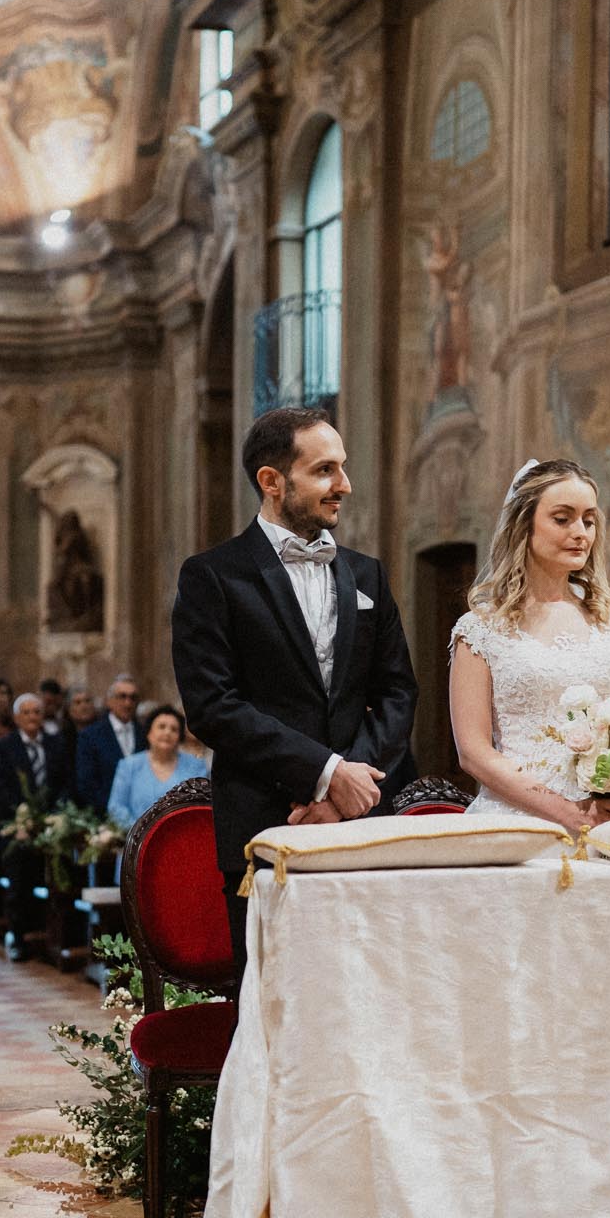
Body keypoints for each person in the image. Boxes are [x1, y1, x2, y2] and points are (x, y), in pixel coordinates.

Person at [172, 406, 418, 967]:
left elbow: (398, 691)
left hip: (362, 824)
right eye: (325, 470)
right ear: (272, 481)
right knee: (274, 1006)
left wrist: (351, 787)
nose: (344, 485)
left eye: (343, 468)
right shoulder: (213, 576)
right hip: (265, 821)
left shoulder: (367, 574)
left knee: (365, 996)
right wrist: (325, 774)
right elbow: (213, 706)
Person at [449, 459, 610, 832]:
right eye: (562, 518)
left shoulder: (609, 619)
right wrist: (568, 813)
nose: (581, 532)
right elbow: (473, 754)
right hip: (521, 821)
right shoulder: (481, 629)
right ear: (524, 525)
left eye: (588, 520)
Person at [0, 693, 71, 961]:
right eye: (27, 712)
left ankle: (59, 936)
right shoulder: (3, 747)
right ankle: (18, 937)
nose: (33, 717)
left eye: (37, 712)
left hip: (51, 821)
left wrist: (54, 812)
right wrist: (23, 814)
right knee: (19, 875)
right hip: (16, 822)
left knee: (63, 869)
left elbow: (66, 781)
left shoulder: (57, 744)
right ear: (17, 717)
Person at [107, 704, 210, 827]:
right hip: (136, 839)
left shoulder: (196, 766)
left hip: (183, 837)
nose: (167, 732)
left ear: (179, 737)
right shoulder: (129, 765)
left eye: (174, 729)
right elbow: (116, 807)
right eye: (161, 727)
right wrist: (141, 831)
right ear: (149, 733)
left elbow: (201, 806)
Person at [72, 674, 142, 814]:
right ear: (109, 701)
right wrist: (115, 812)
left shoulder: (145, 734)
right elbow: (87, 783)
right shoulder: (90, 736)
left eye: (132, 698)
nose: (128, 703)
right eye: (122, 696)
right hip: (104, 817)